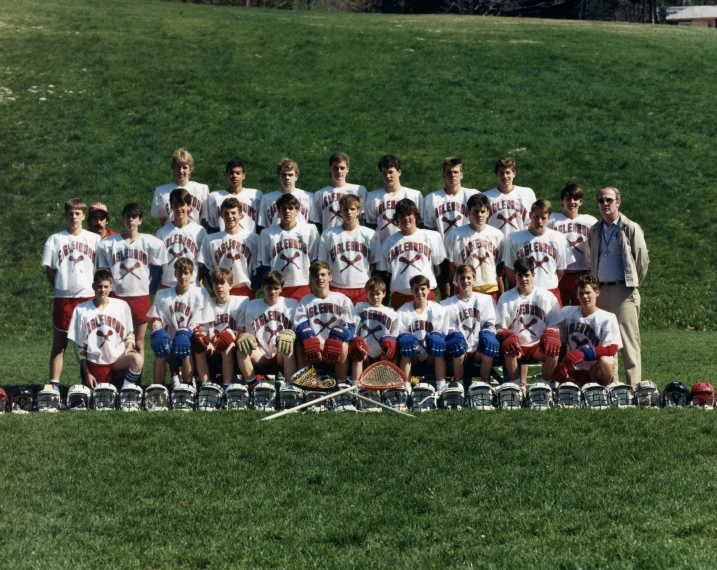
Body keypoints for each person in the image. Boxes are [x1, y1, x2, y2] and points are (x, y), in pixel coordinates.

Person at [586, 186, 649, 386]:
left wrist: (630, 282)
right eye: (601, 201)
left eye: (609, 200)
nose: (605, 204)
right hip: (601, 291)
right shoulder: (595, 230)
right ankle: (612, 385)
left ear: (618, 202)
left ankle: (633, 387)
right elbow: (591, 258)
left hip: (623, 291)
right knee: (606, 341)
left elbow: (642, 261)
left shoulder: (630, 227)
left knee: (629, 342)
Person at [42, 198, 101, 385]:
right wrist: (61, 285)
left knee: (91, 344)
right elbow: (50, 271)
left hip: (88, 296)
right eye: (70, 213)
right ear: (65, 215)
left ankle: (91, 383)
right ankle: (54, 385)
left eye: (77, 213)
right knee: (60, 345)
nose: (74, 217)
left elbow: (101, 269)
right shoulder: (55, 239)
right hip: (64, 297)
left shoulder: (95, 240)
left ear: (84, 216)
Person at [98, 202, 168, 358]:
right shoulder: (109, 244)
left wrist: (150, 289)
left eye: (134, 217)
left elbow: (157, 271)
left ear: (140, 220)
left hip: (140, 296)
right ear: (123, 219)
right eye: (128, 216)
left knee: (139, 341)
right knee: (117, 339)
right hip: (117, 296)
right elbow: (105, 273)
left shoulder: (151, 242)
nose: (131, 220)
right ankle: (119, 377)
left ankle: (137, 379)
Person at [68, 269, 143, 389]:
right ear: (93, 286)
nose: (102, 290)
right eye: (99, 286)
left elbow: (129, 333)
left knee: (137, 359)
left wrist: (129, 346)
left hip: (118, 357)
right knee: (101, 395)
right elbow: (79, 346)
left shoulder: (122, 306)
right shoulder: (81, 310)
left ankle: (125, 390)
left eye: (106, 286)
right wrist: (87, 372)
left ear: (111, 287)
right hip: (96, 359)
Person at [496, 258, 563, 387]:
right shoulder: (506, 298)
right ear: (515, 275)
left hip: (538, 344)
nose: (523, 279)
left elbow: (555, 323)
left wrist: (552, 333)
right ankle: (516, 386)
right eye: (519, 275)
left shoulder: (546, 296)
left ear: (533, 275)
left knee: (553, 346)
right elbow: (500, 327)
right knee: (508, 345)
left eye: (526, 275)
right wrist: (505, 334)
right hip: (517, 345)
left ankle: (545, 385)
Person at [147, 258, 212, 387]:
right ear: (174, 273)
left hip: (195, 339)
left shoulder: (201, 293)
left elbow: (204, 320)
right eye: (179, 273)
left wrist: (187, 333)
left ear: (192, 274)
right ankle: (158, 389)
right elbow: (156, 318)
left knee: (185, 344)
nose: (183, 276)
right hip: (171, 339)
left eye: (186, 273)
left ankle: (186, 386)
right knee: (160, 349)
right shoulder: (162, 294)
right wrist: (158, 330)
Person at [423, 157, 479, 299]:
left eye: (455, 172)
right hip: (442, 250)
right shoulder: (432, 198)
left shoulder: (472, 195)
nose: (452, 175)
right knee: (446, 293)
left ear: (461, 174)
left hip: (466, 247)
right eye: (448, 172)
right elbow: (429, 228)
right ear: (443, 175)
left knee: (466, 289)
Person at [553, 276, 623, 387]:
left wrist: (584, 353)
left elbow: (612, 348)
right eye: (581, 293)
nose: (584, 297)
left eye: (588, 293)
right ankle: (553, 386)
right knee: (551, 349)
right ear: (576, 295)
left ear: (597, 292)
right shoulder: (567, 312)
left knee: (607, 361)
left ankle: (601, 389)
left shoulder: (607, 317)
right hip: (573, 368)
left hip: (595, 370)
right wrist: (562, 362)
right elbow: (560, 342)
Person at [502, 199, 572, 306]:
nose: (539, 221)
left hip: (550, 289)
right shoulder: (514, 238)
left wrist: (549, 281)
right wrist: (520, 285)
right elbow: (509, 268)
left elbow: (561, 268)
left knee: (553, 322)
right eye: (536, 216)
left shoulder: (559, 238)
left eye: (543, 218)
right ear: (530, 215)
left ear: (549, 218)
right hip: (524, 291)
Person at [483, 157, 536, 296]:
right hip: (497, 246)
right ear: (496, 175)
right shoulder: (488, 197)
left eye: (508, 172)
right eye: (501, 173)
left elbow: (531, 220)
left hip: (519, 244)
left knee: (520, 284)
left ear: (514, 173)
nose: (505, 176)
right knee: (497, 283)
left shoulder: (527, 193)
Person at [294, 261, 355, 381]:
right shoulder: (305, 301)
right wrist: (309, 338)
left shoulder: (342, 299)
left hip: (334, 346)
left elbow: (349, 325)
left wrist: (336, 340)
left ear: (330, 277)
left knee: (343, 346)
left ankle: (340, 384)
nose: (319, 278)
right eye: (316, 275)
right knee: (300, 346)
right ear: (311, 279)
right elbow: (300, 324)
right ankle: (304, 384)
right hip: (314, 347)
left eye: (323, 275)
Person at [381, 198, 446, 310]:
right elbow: (389, 273)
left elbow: (437, 269)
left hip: (425, 294)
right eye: (402, 215)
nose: (406, 218)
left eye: (409, 214)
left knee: (428, 326)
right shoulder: (389, 242)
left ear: (415, 215)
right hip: (401, 295)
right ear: (397, 218)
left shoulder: (432, 237)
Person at [441, 264, 499, 385]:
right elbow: (447, 327)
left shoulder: (486, 300)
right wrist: (454, 335)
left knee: (488, 350)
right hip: (461, 347)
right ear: (457, 280)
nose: (465, 281)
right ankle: (459, 387)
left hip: (479, 346)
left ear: (474, 279)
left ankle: (485, 386)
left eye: (468, 278)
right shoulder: (447, 304)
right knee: (458, 350)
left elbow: (491, 322)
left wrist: (488, 333)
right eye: (462, 278)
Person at [318, 194, 381, 304]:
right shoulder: (328, 234)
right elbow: (323, 264)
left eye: (352, 209)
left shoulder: (370, 235)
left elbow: (376, 265)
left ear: (358, 211)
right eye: (345, 209)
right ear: (340, 211)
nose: (349, 212)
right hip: (336, 286)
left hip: (363, 287)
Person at [238, 271, 298, 386]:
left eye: (276, 288)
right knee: (242, 349)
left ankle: (290, 387)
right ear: (263, 287)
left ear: (281, 288)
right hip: (261, 352)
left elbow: (296, 333)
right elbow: (251, 337)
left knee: (288, 345)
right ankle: (253, 385)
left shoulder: (291, 304)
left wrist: (290, 334)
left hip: (281, 352)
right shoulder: (252, 305)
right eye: (269, 288)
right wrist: (246, 336)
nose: (272, 292)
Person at [259, 193, 319, 302]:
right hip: (277, 287)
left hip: (301, 283)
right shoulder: (267, 234)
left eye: (291, 208)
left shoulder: (309, 230)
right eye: (284, 208)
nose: (287, 211)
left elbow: (314, 259)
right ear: (278, 212)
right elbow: (266, 265)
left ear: (297, 210)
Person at [195, 267, 249, 388]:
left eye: (222, 283)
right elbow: (203, 331)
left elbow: (241, 330)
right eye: (216, 283)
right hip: (213, 345)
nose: (219, 286)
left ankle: (227, 385)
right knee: (199, 347)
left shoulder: (240, 302)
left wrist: (230, 335)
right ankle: (207, 385)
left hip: (233, 346)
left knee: (226, 344)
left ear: (230, 285)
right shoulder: (207, 303)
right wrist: (206, 342)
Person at [445, 193, 504, 303]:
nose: (479, 215)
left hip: (490, 286)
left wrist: (501, 289)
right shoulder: (456, 235)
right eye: (475, 211)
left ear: (488, 213)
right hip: (465, 287)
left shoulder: (497, 235)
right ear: (468, 213)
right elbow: (451, 265)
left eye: (482, 211)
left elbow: (500, 266)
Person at [396, 274, 449, 392]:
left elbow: (443, 333)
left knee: (438, 346)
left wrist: (436, 341)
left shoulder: (439, 309)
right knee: (406, 347)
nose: (419, 292)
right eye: (416, 289)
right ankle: (406, 389)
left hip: (432, 353)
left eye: (423, 289)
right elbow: (400, 334)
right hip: (413, 353)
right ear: (411, 290)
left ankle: (441, 388)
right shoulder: (403, 311)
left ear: (429, 289)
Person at [548, 183, 598, 306]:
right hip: (560, 273)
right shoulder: (552, 220)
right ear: (561, 201)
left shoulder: (590, 221)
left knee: (582, 311)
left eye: (575, 199)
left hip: (583, 272)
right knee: (558, 312)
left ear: (581, 201)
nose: (572, 202)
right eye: (568, 198)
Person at [203, 197, 260, 299]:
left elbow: (258, 268)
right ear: (221, 215)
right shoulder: (211, 240)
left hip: (244, 289)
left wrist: (254, 286)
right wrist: (214, 286)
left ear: (240, 215)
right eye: (226, 213)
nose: (230, 216)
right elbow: (207, 268)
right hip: (221, 289)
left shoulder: (253, 238)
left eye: (233, 213)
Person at [349, 276, 400, 381]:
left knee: (391, 352)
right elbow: (354, 325)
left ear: (384, 294)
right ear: (366, 293)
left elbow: (395, 334)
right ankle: (355, 386)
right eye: (371, 294)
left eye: (378, 294)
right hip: (364, 346)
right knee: (358, 352)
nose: (375, 297)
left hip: (381, 349)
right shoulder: (360, 306)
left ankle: (387, 383)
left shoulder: (392, 313)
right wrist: (355, 339)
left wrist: (390, 343)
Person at [155, 188, 208, 289]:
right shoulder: (162, 232)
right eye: (175, 205)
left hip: (191, 283)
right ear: (171, 207)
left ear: (189, 206)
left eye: (182, 205)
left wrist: (201, 282)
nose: (179, 209)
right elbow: (157, 263)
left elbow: (203, 263)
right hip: (168, 283)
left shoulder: (199, 231)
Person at [365, 155, 424, 244]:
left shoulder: (414, 195)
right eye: (384, 172)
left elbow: (420, 224)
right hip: (382, 246)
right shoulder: (372, 197)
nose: (388, 176)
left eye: (391, 172)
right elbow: (370, 227)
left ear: (399, 172)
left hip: (409, 245)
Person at [151, 147, 209, 227]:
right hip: (171, 235)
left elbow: (204, 220)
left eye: (184, 167)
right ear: (173, 168)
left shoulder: (202, 189)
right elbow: (163, 221)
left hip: (194, 236)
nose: (181, 171)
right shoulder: (161, 191)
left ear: (190, 169)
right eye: (178, 166)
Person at [311, 152, 368, 231]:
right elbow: (318, 223)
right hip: (331, 237)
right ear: (329, 168)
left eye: (342, 168)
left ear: (347, 169)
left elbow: (363, 219)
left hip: (354, 237)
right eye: (335, 168)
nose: (339, 171)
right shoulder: (320, 194)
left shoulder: (359, 190)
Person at [206, 159, 262, 234]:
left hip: (249, 241)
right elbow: (212, 226)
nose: (234, 176)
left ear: (243, 175)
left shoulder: (256, 196)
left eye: (238, 173)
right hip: (224, 241)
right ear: (226, 175)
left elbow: (261, 225)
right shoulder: (215, 197)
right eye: (231, 173)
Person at [258, 157, 313, 229]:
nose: (287, 178)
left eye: (290, 175)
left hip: (301, 238)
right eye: (283, 175)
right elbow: (262, 225)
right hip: (275, 237)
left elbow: (313, 224)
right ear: (278, 177)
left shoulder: (308, 197)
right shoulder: (267, 198)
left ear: (296, 176)